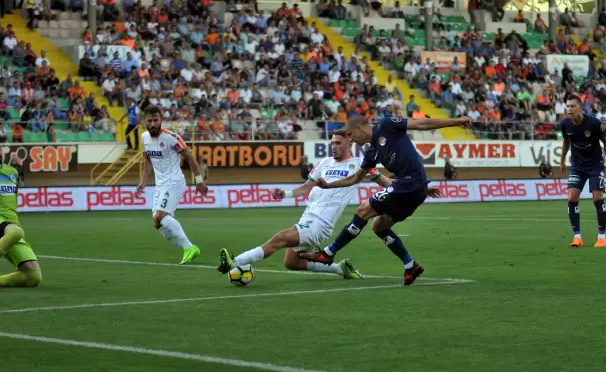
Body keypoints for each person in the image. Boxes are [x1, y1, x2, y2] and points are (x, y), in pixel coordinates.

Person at [302, 115, 470, 285]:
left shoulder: (387, 124)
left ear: (359, 129)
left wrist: (456, 122)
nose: (351, 139)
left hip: (411, 183)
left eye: (351, 135)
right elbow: (354, 178)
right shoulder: (371, 151)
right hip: (413, 188)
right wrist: (328, 185)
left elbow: (421, 123)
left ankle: (327, 254)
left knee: (363, 210)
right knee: (379, 226)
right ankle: (410, 266)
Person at [216, 130, 394, 278]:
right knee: (292, 263)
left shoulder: (360, 165)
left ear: (349, 143)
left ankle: (235, 261)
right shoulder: (324, 163)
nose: (334, 146)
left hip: (320, 224)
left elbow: (387, 183)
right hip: (307, 218)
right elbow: (306, 187)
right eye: (332, 143)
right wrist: (285, 194)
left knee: (279, 238)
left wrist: (409, 184)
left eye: (338, 143)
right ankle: (341, 269)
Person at [136, 105, 208, 264]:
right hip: (160, 185)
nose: (153, 124)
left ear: (161, 119)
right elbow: (147, 159)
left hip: (174, 181)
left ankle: (190, 248)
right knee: (157, 222)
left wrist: (199, 180)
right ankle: (187, 248)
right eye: (149, 121)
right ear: (145, 122)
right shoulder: (144, 138)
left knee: (161, 216)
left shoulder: (171, 137)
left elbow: (189, 156)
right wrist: (142, 182)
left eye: (156, 120)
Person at [560, 95, 606, 248]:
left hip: (596, 165)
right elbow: (566, 142)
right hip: (577, 165)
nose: (569, 109)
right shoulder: (565, 124)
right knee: (571, 198)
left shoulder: (594, 123)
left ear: (580, 108)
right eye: (567, 106)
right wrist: (562, 160)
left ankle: (601, 237)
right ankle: (577, 237)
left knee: (597, 198)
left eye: (572, 106)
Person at [0, 160, 42, 287]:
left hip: (10, 224)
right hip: (10, 228)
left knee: (33, 276)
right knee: (16, 231)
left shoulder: (11, 172)